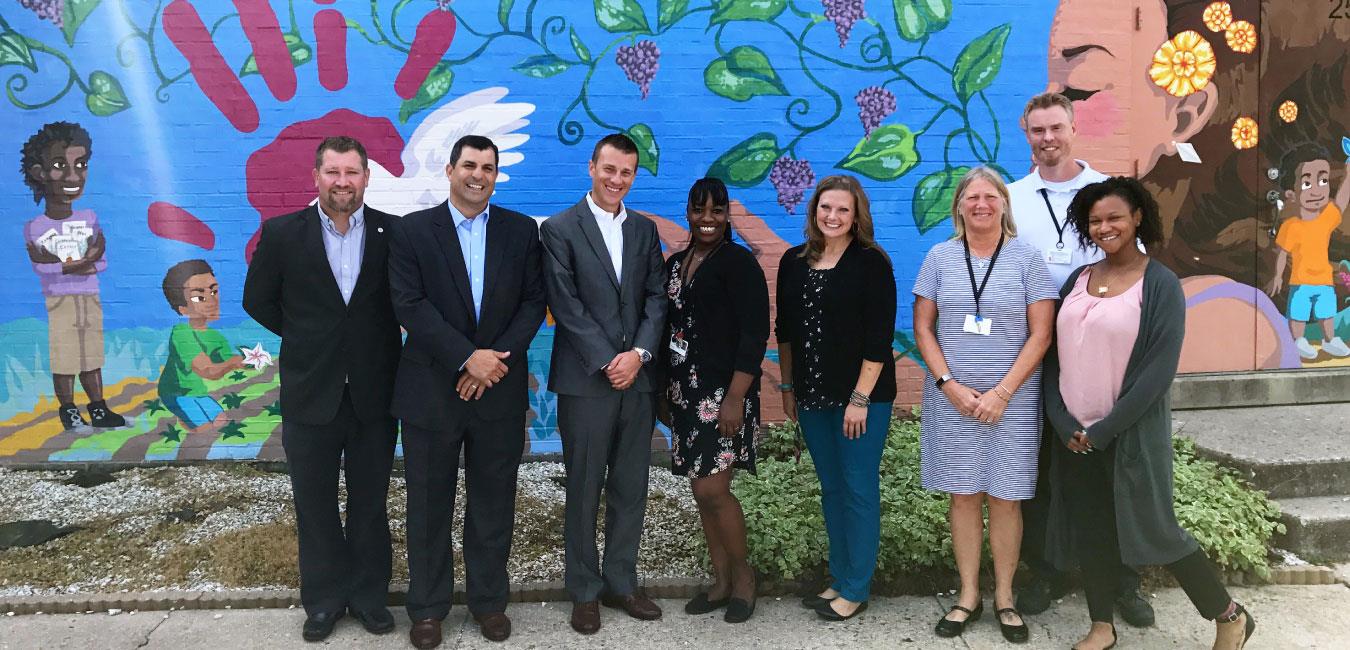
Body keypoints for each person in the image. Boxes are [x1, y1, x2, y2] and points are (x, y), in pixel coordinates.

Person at [1043, 177, 1257, 650]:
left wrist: (1104, 430)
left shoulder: (1160, 285)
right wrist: (1064, 423)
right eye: (1095, 220)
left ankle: (1229, 614)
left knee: (1158, 531)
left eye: (1115, 217)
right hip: (1075, 436)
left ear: (1138, 216)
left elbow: (1156, 375)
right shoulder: (1077, 281)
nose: (1105, 227)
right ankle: (1102, 626)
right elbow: (1053, 357)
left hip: (1129, 437)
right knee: (1093, 531)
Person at [387, 135, 546, 647]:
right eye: (470, 165)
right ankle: (429, 608)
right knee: (429, 505)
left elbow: (533, 303)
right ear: (450, 169)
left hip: (497, 391)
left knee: (493, 503)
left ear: (496, 176)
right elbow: (410, 305)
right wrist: (466, 357)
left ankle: (488, 603)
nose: (479, 175)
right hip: (432, 391)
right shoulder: (412, 231)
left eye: (489, 168)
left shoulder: (520, 231)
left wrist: (490, 363)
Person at [242, 136, 402, 642]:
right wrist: (307, 335)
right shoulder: (283, 234)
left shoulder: (391, 233)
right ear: (316, 176)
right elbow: (257, 300)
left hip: (375, 396)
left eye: (352, 172)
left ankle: (370, 597)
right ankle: (324, 601)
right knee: (314, 504)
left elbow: (404, 302)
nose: (342, 182)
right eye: (333, 172)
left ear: (366, 178)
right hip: (312, 393)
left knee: (370, 502)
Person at [1007, 92, 1154, 626]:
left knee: (1118, 470)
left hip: (1105, 350)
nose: (1047, 139)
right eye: (1037, 130)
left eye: (1056, 128)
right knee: (1043, 473)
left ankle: (1123, 580)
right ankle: (1045, 570)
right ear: (1026, 133)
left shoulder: (1106, 191)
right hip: (1036, 353)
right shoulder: (1012, 197)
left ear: (1074, 127)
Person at [912, 167, 1056, 643]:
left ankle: (1006, 597)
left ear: (1003, 204)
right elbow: (924, 328)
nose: (981, 204)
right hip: (952, 400)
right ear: (958, 206)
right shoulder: (939, 257)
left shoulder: (1027, 259)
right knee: (964, 496)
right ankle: (968, 595)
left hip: (1010, 402)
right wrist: (948, 384)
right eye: (971, 197)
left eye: (990, 196)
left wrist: (1001, 393)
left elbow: (1042, 334)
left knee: (1006, 499)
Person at [540, 133, 668, 635]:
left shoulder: (644, 229)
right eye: (609, 169)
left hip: (636, 381)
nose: (617, 180)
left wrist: (637, 356)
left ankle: (622, 583)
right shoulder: (559, 228)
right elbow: (564, 302)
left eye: (627, 173)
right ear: (591, 167)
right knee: (584, 486)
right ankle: (585, 590)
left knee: (631, 486)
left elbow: (657, 297)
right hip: (586, 381)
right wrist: (606, 359)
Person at [776, 175, 896, 622]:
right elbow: (784, 332)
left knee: (859, 488)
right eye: (826, 207)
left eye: (843, 209)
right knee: (832, 490)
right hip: (811, 397)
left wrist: (859, 399)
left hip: (861, 400)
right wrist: (788, 389)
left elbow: (879, 337)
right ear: (814, 211)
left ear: (856, 214)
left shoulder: (871, 263)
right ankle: (841, 575)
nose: (833, 216)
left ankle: (857, 588)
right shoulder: (793, 261)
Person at [658, 177, 769, 624]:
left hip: (725, 395)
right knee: (699, 492)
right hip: (685, 393)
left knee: (713, 488)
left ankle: (744, 577)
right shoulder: (675, 263)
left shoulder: (740, 264)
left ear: (727, 216)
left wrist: (735, 398)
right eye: (699, 210)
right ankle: (720, 580)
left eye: (716, 211)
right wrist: (665, 389)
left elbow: (754, 333)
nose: (707, 219)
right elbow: (668, 330)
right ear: (688, 211)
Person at [21, 121, 126, 431]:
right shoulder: (36, 226)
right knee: (65, 356)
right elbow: (43, 267)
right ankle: (68, 409)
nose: (73, 175)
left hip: (89, 296)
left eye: (81, 164)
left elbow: (100, 261)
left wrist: (71, 263)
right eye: (59, 165)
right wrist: (82, 261)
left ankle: (98, 407)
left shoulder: (88, 218)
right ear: (40, 173)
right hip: (60, 301)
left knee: (92, 355)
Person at [1267, 143, 1350, 360]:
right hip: (1301, 281)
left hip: (1324, 280)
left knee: (1326, 313)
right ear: (1290, 193)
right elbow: (1282, 253)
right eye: (1306, 183)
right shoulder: (1292, 226)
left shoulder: (1326, 218)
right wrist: (1277, 276)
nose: (1316, 190)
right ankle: (1298, 340)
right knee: (1298, 313)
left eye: (1323, 181)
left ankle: (1330, 340)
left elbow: (1341, 201)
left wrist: (1349, 175)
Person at [157, 260, 245, 455]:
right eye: (199, 297)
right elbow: (207, 370)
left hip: (197, 391)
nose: (212, 300)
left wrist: (247, 362)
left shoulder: (215, 337)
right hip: (176, 393)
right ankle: (183, 417)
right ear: (183, 309)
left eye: (214, 291)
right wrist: (234, 362)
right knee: (203, 430)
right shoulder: (182, 333)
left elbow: (225, 362)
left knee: (221, 420)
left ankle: (191, 417)